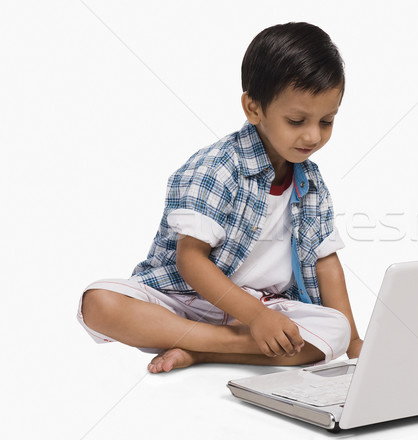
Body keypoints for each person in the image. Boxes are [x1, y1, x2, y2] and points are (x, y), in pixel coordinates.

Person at [77, 22, 363, 374]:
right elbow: (190, 261)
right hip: (186, 301)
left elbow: (325, 262)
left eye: (326, 121)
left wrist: (351, 341)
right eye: (296, 120)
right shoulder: (217, 168)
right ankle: (223, 342)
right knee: (98, 302)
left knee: (334, 330)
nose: (312, 135)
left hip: (265, 307)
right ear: (254, 108)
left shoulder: (311, 182)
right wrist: (254, 319)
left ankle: (200, 352)